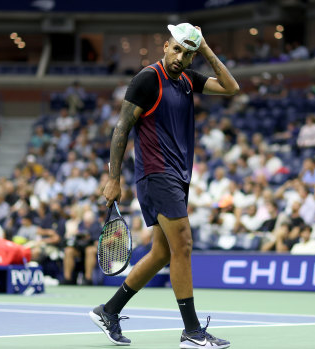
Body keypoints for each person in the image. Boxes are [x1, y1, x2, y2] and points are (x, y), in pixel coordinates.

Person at [90, 23, 238, 348]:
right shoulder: (147, 79)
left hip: (178, 175)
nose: (180, 57)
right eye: (177, 49)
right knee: (183, 244)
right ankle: (192, 330)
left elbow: (230, 87)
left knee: (161, 253)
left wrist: (207, 50)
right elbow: (121, 128)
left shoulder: (187, 78)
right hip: (157, 173)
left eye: (188, 53)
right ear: (166, 45)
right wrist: (113, 178)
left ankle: (109, 311)